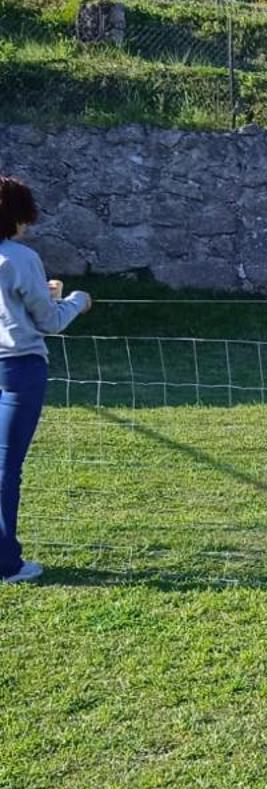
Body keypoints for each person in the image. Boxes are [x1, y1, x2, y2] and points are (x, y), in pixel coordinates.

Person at [0, 176, 91, 585]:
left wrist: (44, 294)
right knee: (6, 469)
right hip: (18, 368)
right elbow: (48, 322)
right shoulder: (20, 258)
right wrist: (76, 301)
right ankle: (7, 563)